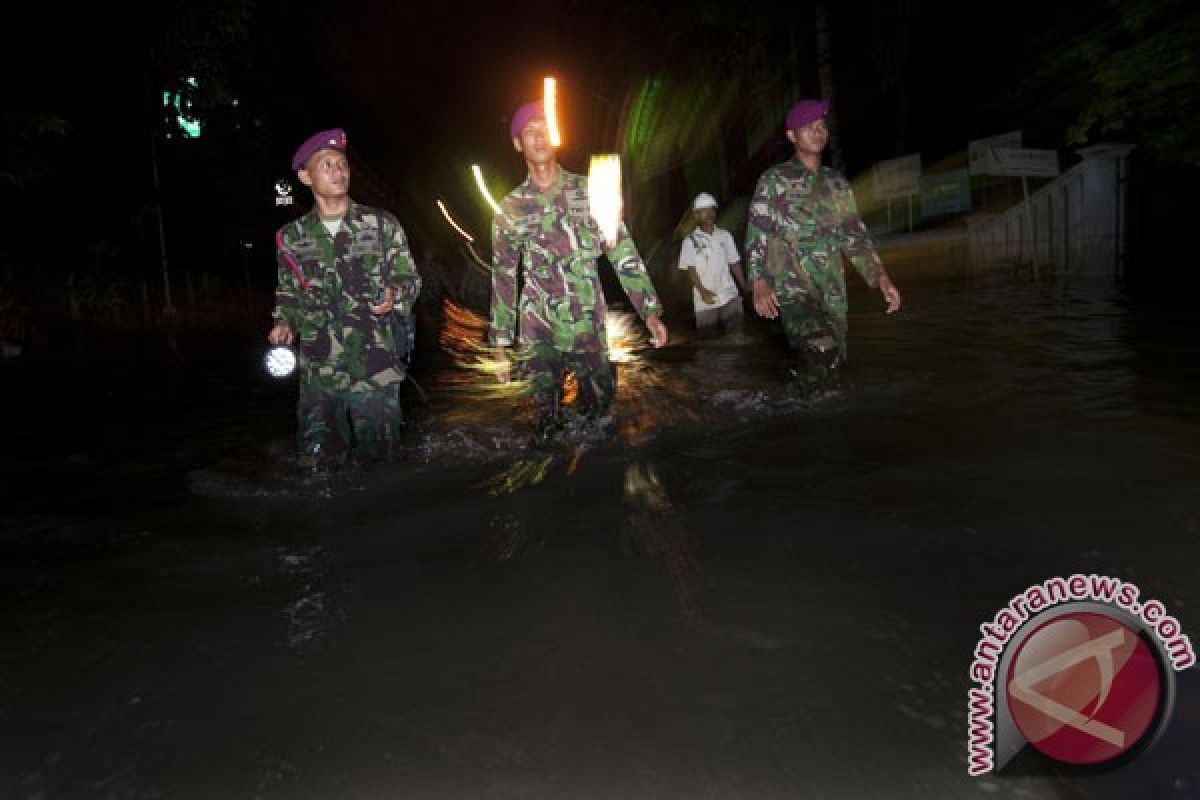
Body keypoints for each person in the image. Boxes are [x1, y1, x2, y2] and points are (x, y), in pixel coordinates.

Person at [490, 101, 668, 439]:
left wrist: (650, 311)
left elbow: (622, 253)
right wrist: (500, 344)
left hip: (589, 327)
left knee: (600, 425)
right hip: (537, 333)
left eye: (545, 128)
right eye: (529, 131)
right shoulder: (509, 208)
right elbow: (503, 277)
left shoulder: (591, 191)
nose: (539, 137)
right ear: (517, 143)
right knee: (543, 429)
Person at [267, 128, 421, 467]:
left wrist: (394, 295)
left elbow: (409, 278)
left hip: (376, 366)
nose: (339, 171)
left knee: (382, 466)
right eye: (327, 165)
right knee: (318, 464)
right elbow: (289, 292)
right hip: (318, 371)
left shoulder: (382, 224)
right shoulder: (291, 237)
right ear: (305, 176)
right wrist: (283, 322)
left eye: (342, 164)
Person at [745, 99, 901, 386]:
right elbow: (758, 233)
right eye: (809, 126)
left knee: (833, 363)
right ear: (792, 136)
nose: (818, 131)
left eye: (821, 125)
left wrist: (881, 278)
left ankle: (797, 405)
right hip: (793, 287)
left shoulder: (836, 183)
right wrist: (759, 282)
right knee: (822, 348)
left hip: (832, 288)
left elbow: (854, 235)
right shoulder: (774, 180)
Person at [677, 192, 747, 336]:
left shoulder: (725, 235)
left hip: (729, 295)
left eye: (712, 209)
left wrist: (745, 287)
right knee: (708, 344)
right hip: (705, 301)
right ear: (696, 215)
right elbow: (691, 269)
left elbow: (734, 262)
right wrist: (702, 291)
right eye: (704, 211)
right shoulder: (689, 241)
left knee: (737, 337)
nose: (709, 214)